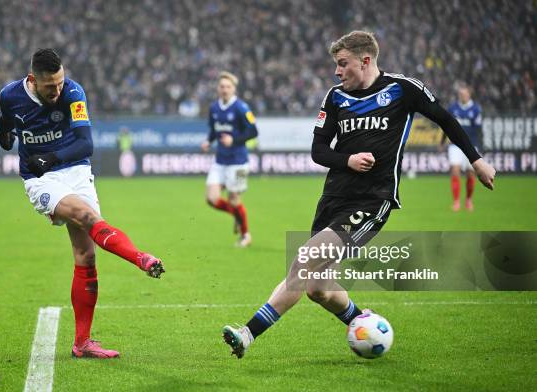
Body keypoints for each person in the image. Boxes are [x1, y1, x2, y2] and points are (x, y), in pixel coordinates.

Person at [222, 31, 496, 358]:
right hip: (333, 199)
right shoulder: (335, 97)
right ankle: (362, 321)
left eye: (342, 64)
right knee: (318, 289)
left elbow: (446, 119)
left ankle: (247, 334)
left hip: (372, 200)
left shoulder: (403, 89)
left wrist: (476, 160)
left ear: (365, 60)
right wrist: (347, 160)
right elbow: (318, 150)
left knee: (303, 261)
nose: (337, 72)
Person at [0, 49, 165, 359]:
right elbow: (6, 123)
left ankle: (82, 343)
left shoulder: (73, 92)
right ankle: (141, 258)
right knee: (86, 216)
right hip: (39, 179)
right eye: (50, 86)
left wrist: (52, 157)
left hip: (74, 170)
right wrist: (5, 135)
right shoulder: (10, 95)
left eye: (59, 83)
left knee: (86, 255)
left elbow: (86, 143)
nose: (57, 90)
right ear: (32, 80)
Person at [201, 71, 258, 247]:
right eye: (222, 86)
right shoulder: (214, 108)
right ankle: (236, 213)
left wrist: (234, 140)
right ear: (218, 89)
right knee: (211, 199)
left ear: (233, 89)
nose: (224, 89)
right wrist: (208, 141)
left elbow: (253, 131)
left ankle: (245, 235)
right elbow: (214, 130)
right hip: (220, 161)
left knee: (234, 199)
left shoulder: (241, 108)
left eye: (228, 87)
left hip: (239, 163)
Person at [440, 84, 482, 211]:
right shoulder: (453, 108)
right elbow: (446, 126)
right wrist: (442, 142)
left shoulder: (476, 109)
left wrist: (479, 147)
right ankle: (456, 201)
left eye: (464, 94)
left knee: (470, 174)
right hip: (455, 145)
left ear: (469, 94)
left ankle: (468, 200)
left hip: (471, 145)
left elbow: (479, 130)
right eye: (460, 94)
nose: (462, 96)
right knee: (455, 170)